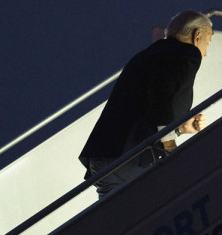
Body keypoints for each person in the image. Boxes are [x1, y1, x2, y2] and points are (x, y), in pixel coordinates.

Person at [79, 10, 213, 198]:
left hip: (102, 159)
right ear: (197, 35)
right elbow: (160, 95)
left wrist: (180, 129)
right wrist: (170, 145)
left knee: (119, 215)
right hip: (131, 159)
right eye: (207, 43)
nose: (205, 53)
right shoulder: (187, 53)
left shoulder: (146, 55)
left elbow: (146, 107)